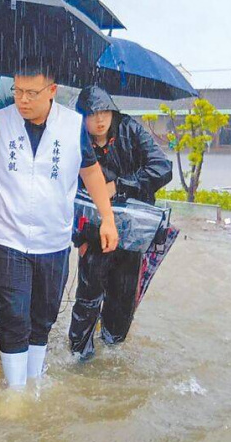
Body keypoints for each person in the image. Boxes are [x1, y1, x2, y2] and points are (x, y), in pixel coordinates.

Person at [0, 62, 119, 389]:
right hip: (7, 236)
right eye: (18, 91)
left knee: (43, 317)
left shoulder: (73, 124)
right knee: (14, 316)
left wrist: (107, 218)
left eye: (31, 93)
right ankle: (15, 392)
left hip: (53, 239)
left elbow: (90, 171)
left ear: (52, 91)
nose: (22, 100)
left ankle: (33, 381)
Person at [69, 85, 173, 361]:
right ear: (82, 117)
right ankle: (79, 356)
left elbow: (162, 169)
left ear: (113, 112)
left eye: (105, 112)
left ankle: (113, 351)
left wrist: (119, 185)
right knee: (88, 298)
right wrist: (77, 238)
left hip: (132, 230)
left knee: (123, 298)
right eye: (92, 115)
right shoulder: (75, 138)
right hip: (94, 230)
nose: (100, 120)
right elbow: (67, 190)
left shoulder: (131, 129)